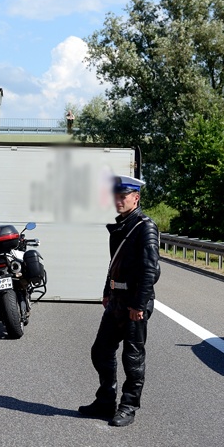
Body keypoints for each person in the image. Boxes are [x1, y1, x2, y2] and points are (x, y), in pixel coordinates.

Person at [79, 175, 160, 427]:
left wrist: (138, 305)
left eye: (123, 196)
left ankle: (128, 406)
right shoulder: (123, 225)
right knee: (101, 351)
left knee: (132, 359)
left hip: (134, 303)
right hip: (116, 300)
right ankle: (105, 401)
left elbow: (150, 270)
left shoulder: (144, 227)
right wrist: (107, 290)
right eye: (115, 196)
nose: (118, 201)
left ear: (136, 198)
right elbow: (114, 263)